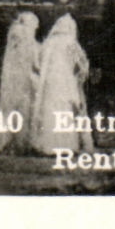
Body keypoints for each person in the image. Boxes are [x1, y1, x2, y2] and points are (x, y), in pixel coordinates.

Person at [32, 13, 93, 154]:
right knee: (65, 109)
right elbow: (81, 62)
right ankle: (66, 144)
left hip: (50, 82)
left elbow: (39, 61)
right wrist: (80, 76)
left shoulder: (48, 43)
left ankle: (48, 145)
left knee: (50, 109)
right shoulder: (70, 42)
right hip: (66, 80)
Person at [0, 11, 40, 154]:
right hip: (23, 79)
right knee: (24, 108)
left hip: (12, 79)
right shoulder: (29, 41)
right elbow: (35, 63)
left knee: (11, 108)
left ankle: (10, 142)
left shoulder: (15, 35)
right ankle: (21, 143)